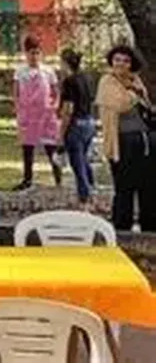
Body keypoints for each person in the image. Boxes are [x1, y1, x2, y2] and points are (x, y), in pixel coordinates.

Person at [95, 43, 156, 233]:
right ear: (111, 62)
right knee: (124, 187)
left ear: (132, 64)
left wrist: (138, 93)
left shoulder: (135, 80)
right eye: (117, 60)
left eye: (126, 61)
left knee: (148, 186)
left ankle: (149, 227)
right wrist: (133, 93)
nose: (121, 64)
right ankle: (122, 228)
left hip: (146, 139)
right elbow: (120, 104)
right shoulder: (107, 82)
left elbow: (146, 105)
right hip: (122, 141)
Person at [12, 36, 63, 190]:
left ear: (41, 53)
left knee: (50, 147)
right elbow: (16, 92)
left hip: (46, 115)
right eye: (30, 53)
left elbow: (56, 91)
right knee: (27, 148)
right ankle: (27, 179)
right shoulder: (20, 72)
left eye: (36, 53)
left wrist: (55, 105)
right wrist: (17, 108)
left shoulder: (48, 71)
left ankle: (58, 179)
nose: (33, 56)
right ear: (25, 54)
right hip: (28, 115)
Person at [58, 47, 96, 209]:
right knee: (84, 160)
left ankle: (84, 199)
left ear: (65, 63)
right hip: (89, 122)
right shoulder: (87, 78)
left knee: (78, 164)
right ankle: (92, 191)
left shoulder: (69, 82)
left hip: (76, 125)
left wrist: (61, 134)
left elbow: (68, 109)